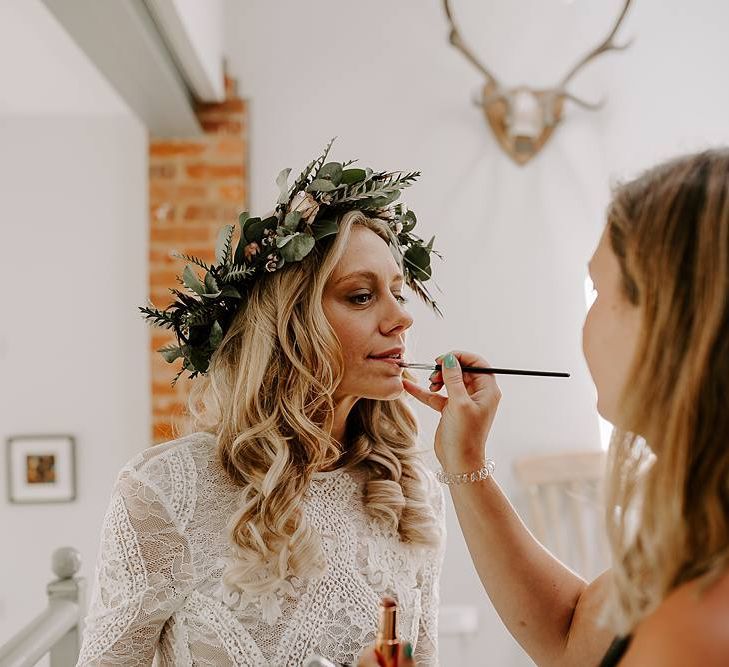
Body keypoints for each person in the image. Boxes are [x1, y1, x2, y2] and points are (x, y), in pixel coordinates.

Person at [77, 142, 445, 666]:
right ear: (290, 327)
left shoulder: (413, 495)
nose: (401, 318)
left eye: (398, 293)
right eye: (361, 296)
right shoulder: (169, 491)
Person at [361, 148, 729, 667]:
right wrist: (465, 458)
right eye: (360, 296)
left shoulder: (699, 627)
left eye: (597, 290)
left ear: (670, 317)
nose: (401, 320)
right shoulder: (701, 537)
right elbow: (573, 636)